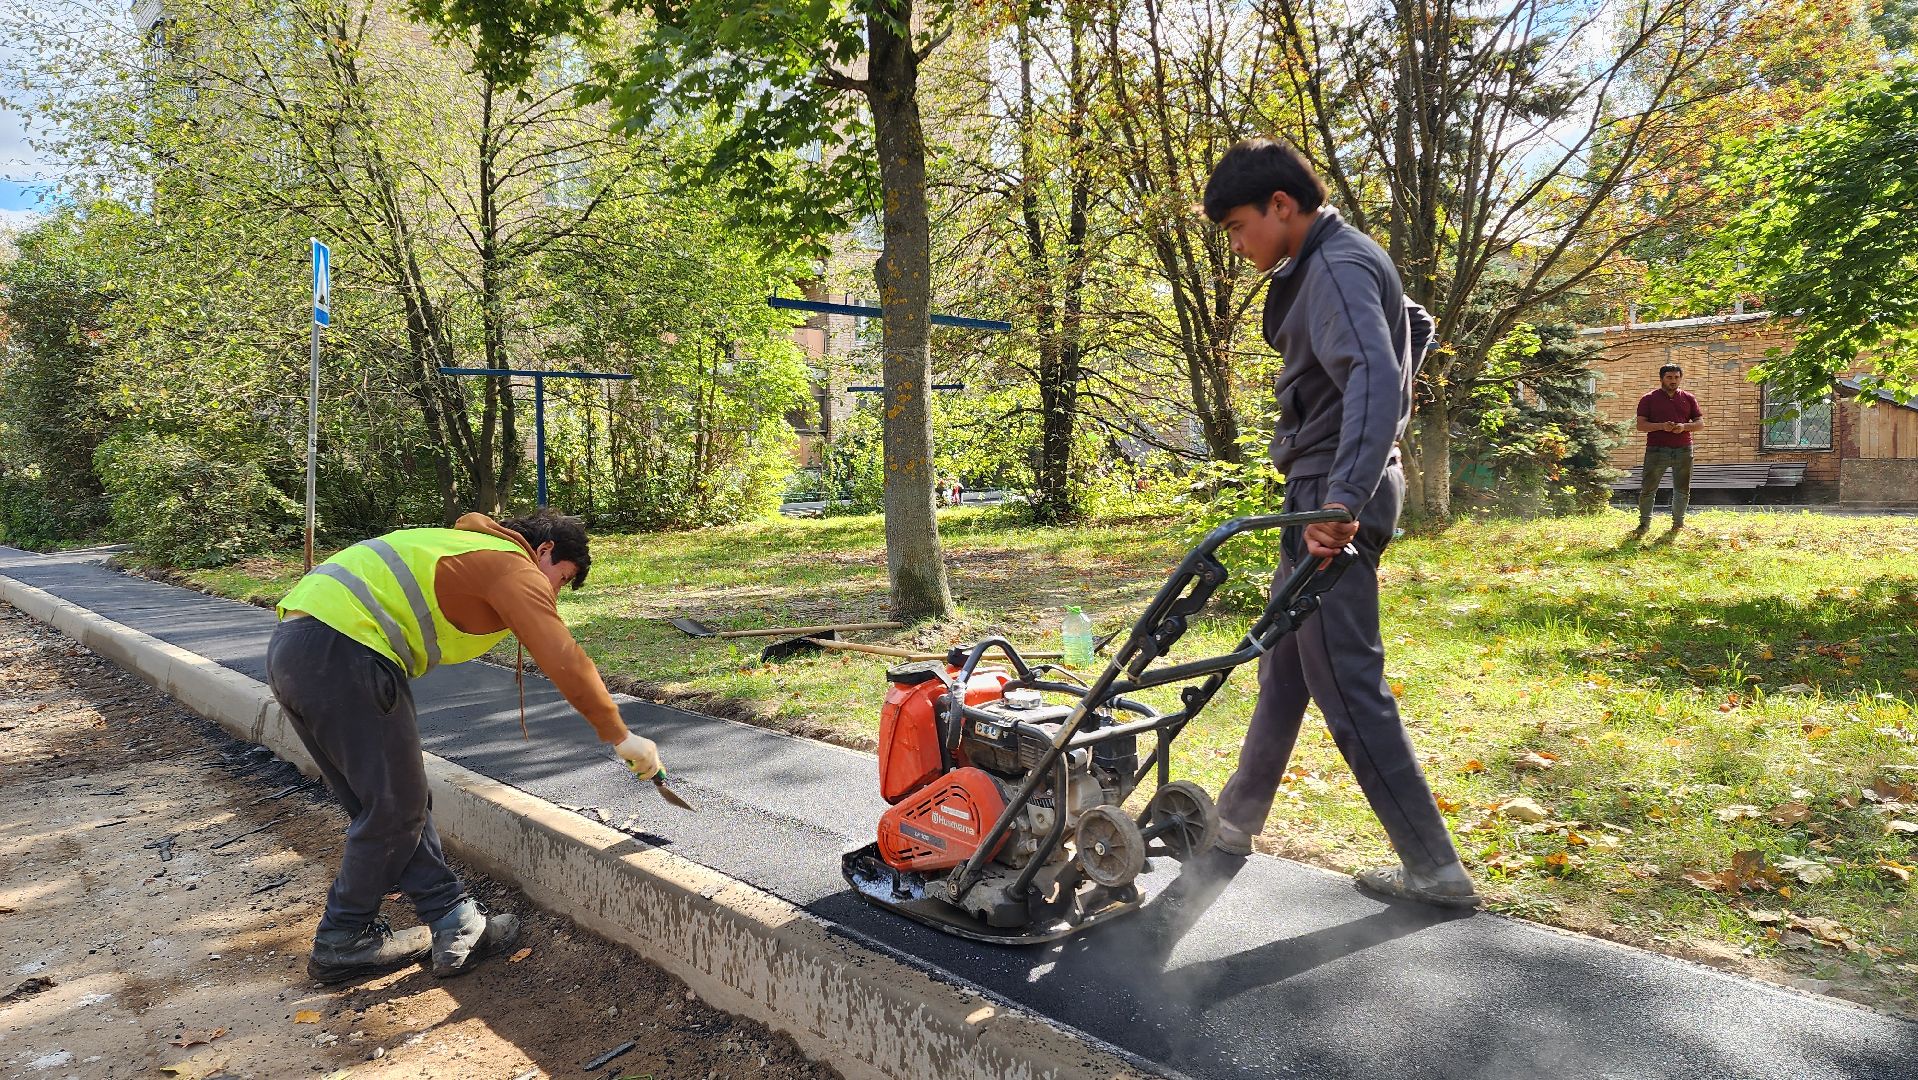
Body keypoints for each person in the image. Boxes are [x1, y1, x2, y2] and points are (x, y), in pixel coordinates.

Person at [1158, 138, 1477, 924]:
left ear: (1281, 206)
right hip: (1324, 488)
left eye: (1237, 227)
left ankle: (1435, 869)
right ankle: (1233, 825)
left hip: (1334, 496)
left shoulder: (1333, 264)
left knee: (1348, 686)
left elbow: (1373, 372)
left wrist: (1341, 497)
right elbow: (1412, 328)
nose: (1236, 246)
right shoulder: (1336, 261)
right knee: (1286, 667)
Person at [268, 508, 664, 984]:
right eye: (562, 578)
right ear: (544, 550)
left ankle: (454, 922)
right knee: (396, 809)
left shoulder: (464, 549)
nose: (554, 593)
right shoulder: (509, 564)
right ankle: (342, 939)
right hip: (344, 652)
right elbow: (562, 654)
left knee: (394, 805)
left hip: (297, 649)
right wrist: (622, 735)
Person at [1633, 363, 1703, 535]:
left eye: (1677, 377)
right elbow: (1640, 426)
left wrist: (1684, 426)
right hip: (1657, 450)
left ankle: (1678, 524)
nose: (1673, 381)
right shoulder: (1648, 398)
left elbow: (1700, 424)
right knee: (1649, 488)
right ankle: (1644, 525)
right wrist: (1662, 426)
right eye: (1669, 377)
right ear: (1661, 378)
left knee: (1682, 488)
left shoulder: (1688, 398)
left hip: (1684, 449)